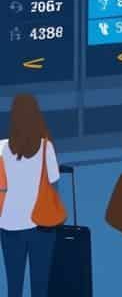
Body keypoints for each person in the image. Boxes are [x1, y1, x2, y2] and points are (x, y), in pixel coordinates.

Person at [0, 95, 59, 297]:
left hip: (9, 225)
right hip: (40, 225)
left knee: (14, 287)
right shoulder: (45, 147)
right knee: (40, 287)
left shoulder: (0, 148)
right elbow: (54, 185)